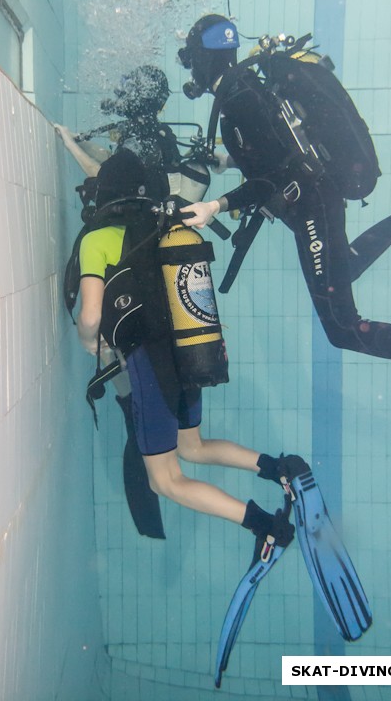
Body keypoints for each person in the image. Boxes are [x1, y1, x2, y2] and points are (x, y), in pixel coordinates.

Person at [76, 146, 295, 548]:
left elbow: (90, 315)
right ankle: (281, 468)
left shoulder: (98, 238)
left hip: (149, 365)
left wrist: (90, 341)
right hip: (188, 350)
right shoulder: (165, 227)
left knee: (166, 480)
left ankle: (266, 526)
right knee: (192, 446)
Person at [178, 14, 391, 365]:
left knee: (343, 328)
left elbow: (273, 178)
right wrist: (229, 162)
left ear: (203, 58)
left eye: (191, 59)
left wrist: (215, 206)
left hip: (312, 205)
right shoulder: (246, 89)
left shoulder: (238, 102)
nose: (191, 71)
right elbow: (276, 155)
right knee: (343, 271)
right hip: (317, 197)